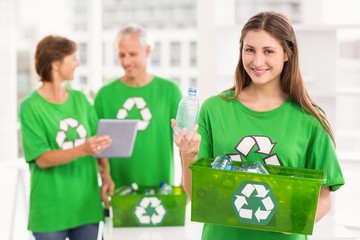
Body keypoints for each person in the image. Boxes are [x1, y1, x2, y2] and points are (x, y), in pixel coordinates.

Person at [172, 11, 345, 240]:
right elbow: (194, 193)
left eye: (268, 51)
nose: (257, 61)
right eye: (249, 49)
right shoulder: (214, 110)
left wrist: (297, 220)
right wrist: (188, 154)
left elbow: (323, 198)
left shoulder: (310, 119)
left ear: (287, 53)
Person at [19, 35, 114, 240]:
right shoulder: (30, 107)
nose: (77, 63)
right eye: (72, 58)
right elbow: (42, 159)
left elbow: (96, 142)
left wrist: (106, 175)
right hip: (50, 211)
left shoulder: (80, 100)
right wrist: (83, 149)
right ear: (55, 63)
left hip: (86, 207)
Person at [94, 24, 182, 188]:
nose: (126, 61)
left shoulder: (170, 92)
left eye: (133, 54)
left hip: (162, 189)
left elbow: (184, 141)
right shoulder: (104, 96)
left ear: (147, 51)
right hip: (120, 191)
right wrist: (106, 177)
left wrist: (185, 183)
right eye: (122, 55)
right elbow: (99, 145)